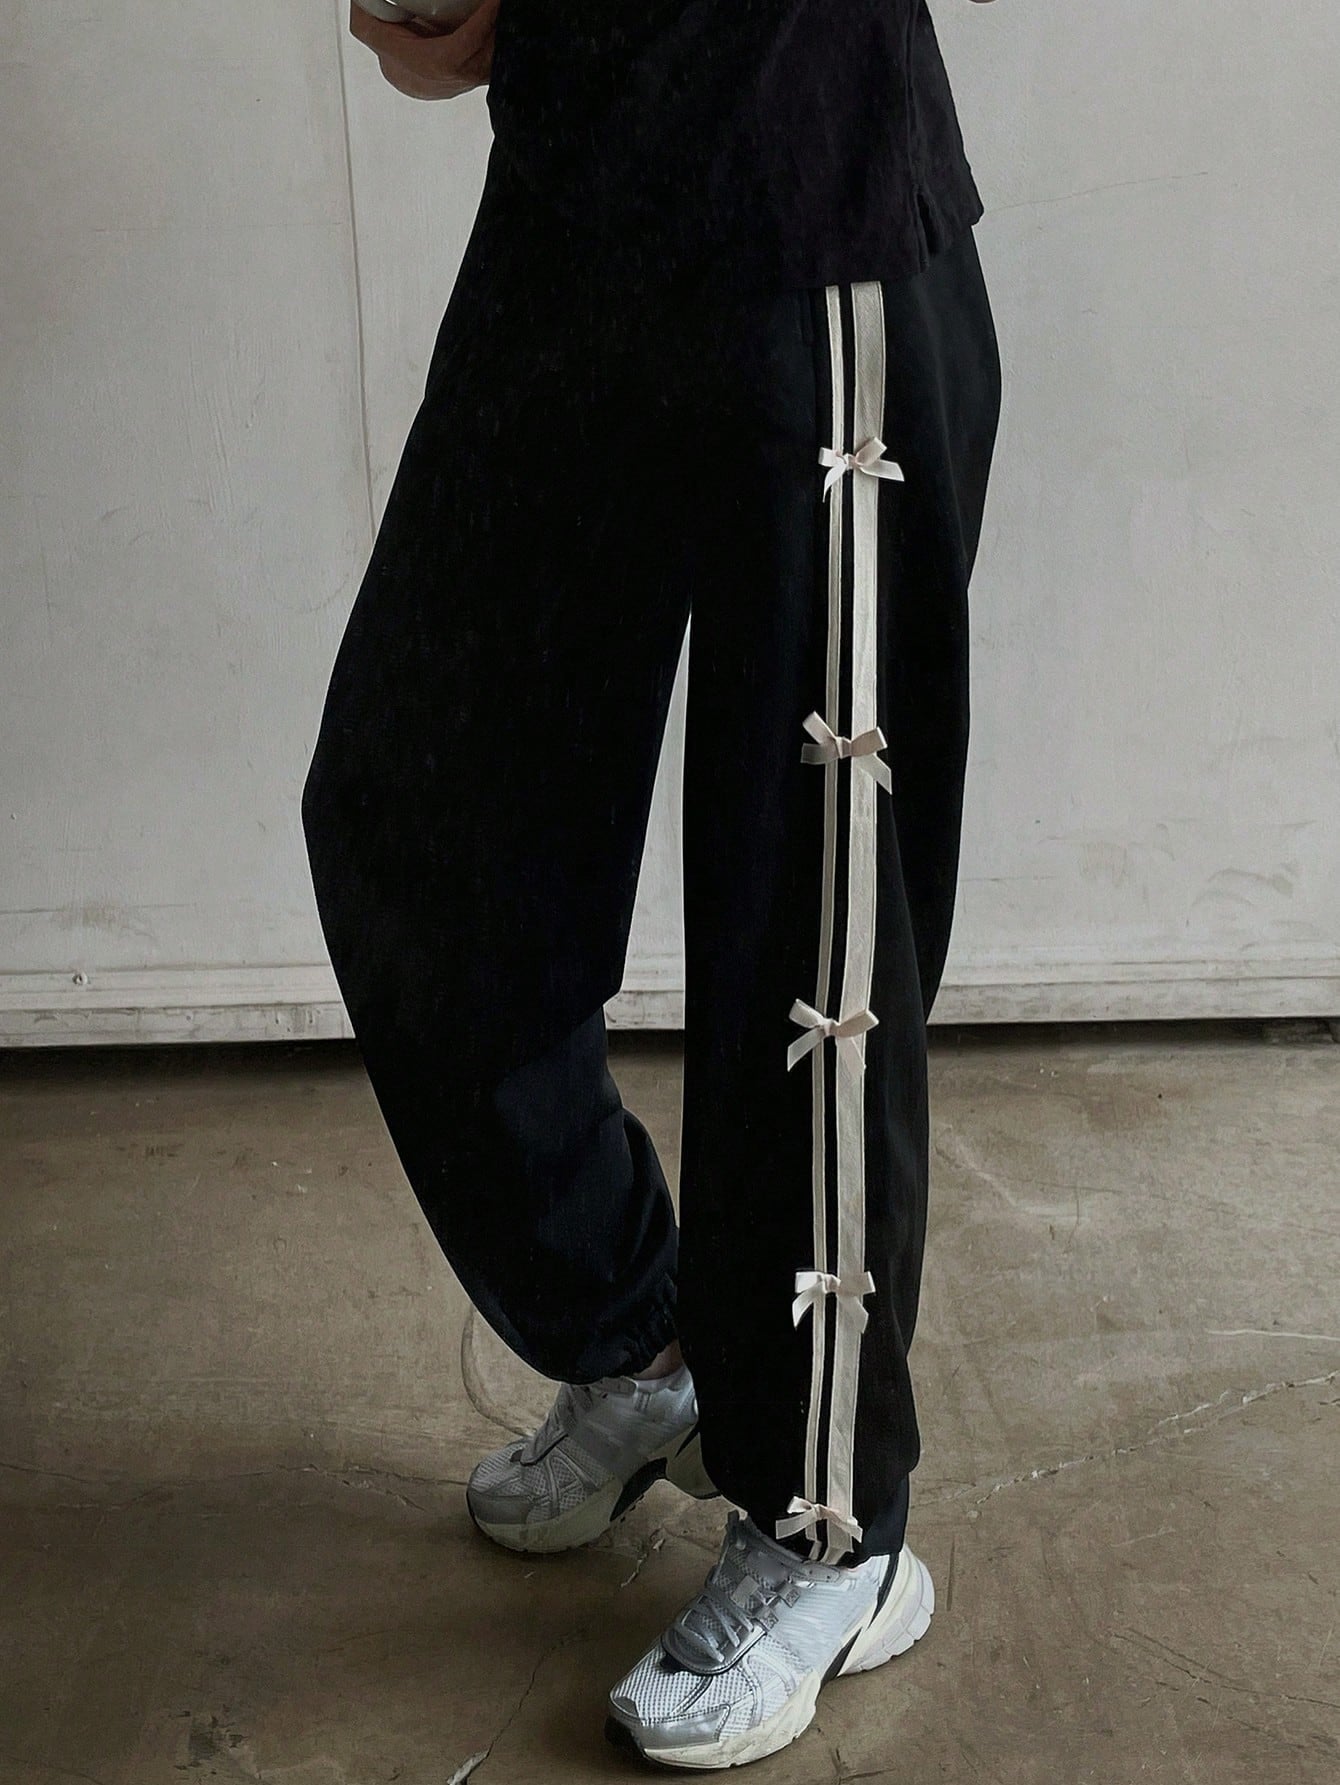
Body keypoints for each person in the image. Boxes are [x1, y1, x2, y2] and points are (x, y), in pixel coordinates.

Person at [302, 0, 1001, 1768]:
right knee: (422, 812)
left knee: (809, 928)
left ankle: (833, 1526)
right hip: (582, 193)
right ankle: (642, 1338)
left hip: (810, 198)